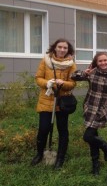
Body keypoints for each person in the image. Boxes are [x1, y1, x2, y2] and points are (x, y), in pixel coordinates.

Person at [72, 52, 107, 176]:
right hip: (90, 108)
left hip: (101, 110)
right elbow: (73, 76)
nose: (103, 63)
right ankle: (97, 162)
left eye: (105, 60)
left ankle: (104, 148)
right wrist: (84, 73)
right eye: (100, 61)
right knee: (91, 137)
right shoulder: (92, 72)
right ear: (96, 63)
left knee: (88, 137)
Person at [31, 39, 76, 169]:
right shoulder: (46, 61)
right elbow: (38, 78)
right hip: (46, 101)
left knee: (63, 130)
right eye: (60, 47)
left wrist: (64, 83)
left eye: (65, 48)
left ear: (68, 50)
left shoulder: (71, 64)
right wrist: (47, 83)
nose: (62, 50)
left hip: (62, 102)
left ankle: (60, 158)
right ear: (54, 48)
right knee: (43, 129)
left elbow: (73, 83)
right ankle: (39, 154)